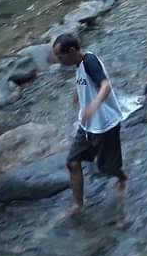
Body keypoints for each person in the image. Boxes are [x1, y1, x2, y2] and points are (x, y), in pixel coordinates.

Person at [52, 32, 127, 215]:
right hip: (87, 125)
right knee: (73, 163)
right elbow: (86, 82)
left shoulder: (90, 61)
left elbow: (105, 85)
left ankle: (123, 178)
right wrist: (78, 94)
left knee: (106, 168)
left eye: (61, 57)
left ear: (71, 51)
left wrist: (93, 106)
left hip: (105, 125)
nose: (59, 61)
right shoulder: (79, 65)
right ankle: (78, 205)